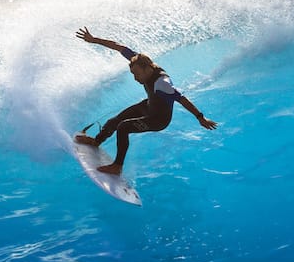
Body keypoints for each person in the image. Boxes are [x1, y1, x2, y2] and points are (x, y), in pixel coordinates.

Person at [74, 27, 217, 175]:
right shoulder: (139, 61)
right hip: (148, 106)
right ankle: (96, 142)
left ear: (147, 69)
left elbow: (182, 99)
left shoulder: (163, 83)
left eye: (136, 74)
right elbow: (120, 47)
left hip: (158, 120)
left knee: (123, 127)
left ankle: (117, 166)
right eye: (133, 74)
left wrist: (200, 117)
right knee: (115, 120)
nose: (135, 78)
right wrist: (94, 39)